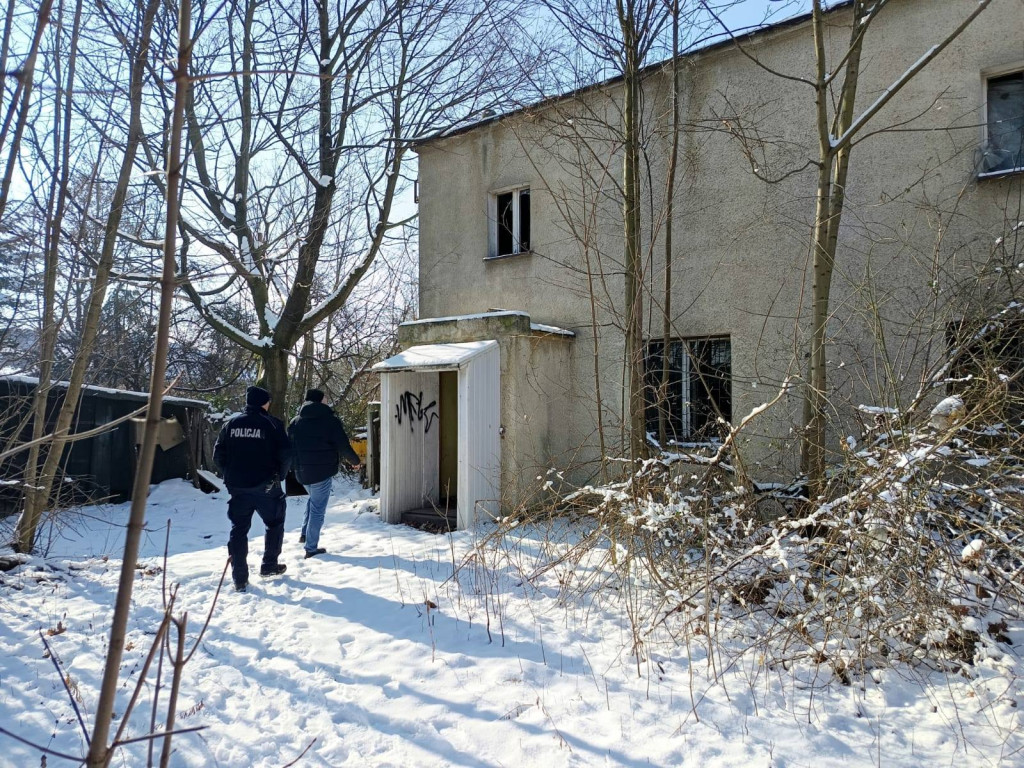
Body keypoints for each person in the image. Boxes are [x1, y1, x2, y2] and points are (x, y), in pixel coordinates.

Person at [214, 386, 292, 592]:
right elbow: (286, 454)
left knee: (238, 530)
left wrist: (229, 476)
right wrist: (280, 476)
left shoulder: (231, 424)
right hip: (266, 486)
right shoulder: (272, 424)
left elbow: (218, 454)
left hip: (237, 487)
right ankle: (269, 565)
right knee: (275, 523)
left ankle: (239, 578)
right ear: (264, 403)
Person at [288, 388, 360, 559]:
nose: (327, 400)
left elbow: (289, 447)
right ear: (319, 401)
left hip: (301, 472)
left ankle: (305, 534)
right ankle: (311, 548)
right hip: (321, 472)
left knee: (313, 501)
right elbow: (343, 445)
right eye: (325, 398)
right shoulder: (330, 421)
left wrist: (292, 467)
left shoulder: (296, 421)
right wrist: (355, 461)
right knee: (318, 509)